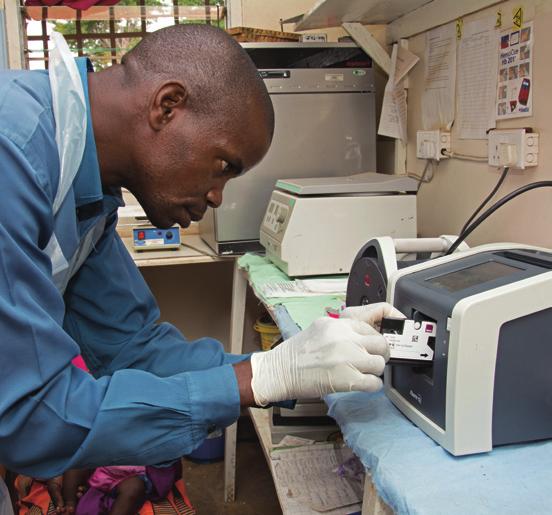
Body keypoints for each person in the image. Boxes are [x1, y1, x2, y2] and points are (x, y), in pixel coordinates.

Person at [0, 22, 397, 498]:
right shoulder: (13, 152)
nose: (216, 197)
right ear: (167, 106)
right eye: (224, 166)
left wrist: (292, 365)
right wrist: (259, 378)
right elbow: (31, 416)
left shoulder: (88, 192)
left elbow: (133, 349)